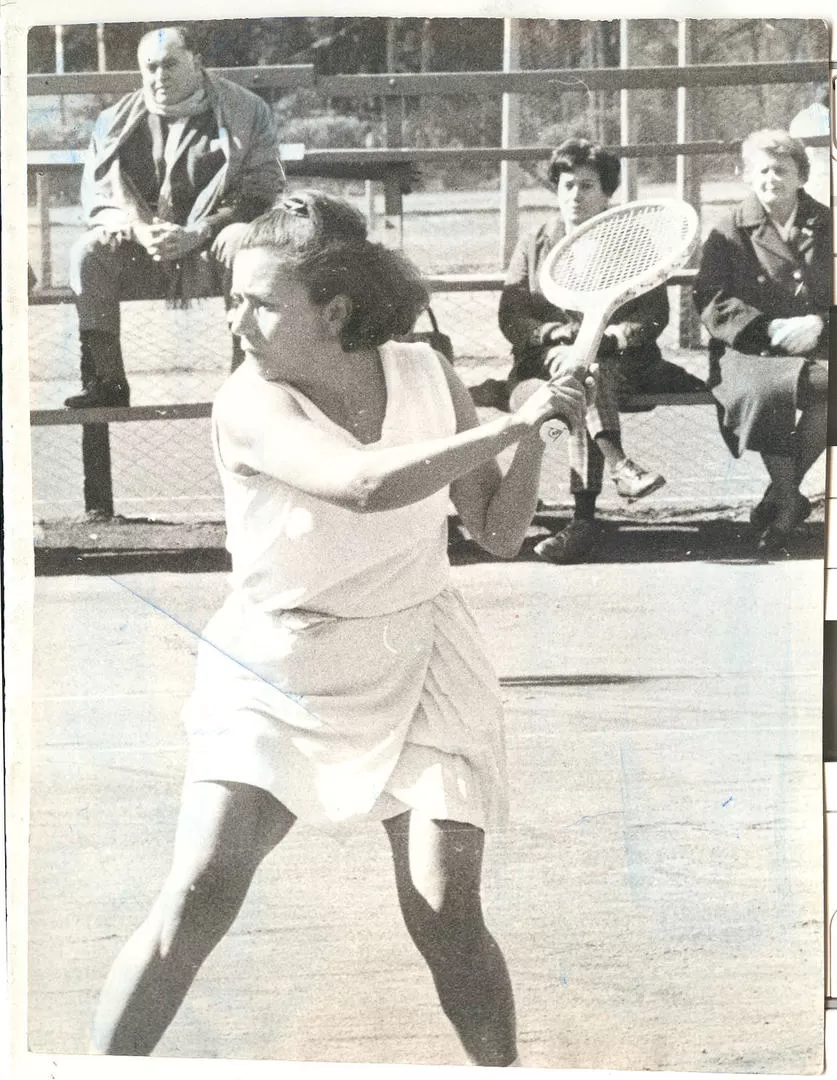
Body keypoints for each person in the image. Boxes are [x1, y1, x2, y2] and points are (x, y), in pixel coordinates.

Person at [88, 190, 591, 1065]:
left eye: (258, 301)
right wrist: (511, 419)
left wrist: (536, 437)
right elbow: (362, 484)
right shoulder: (247, 402)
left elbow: (499, 532)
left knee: (446, 910)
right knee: (197, 896)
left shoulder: (427, 375)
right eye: (232, 296)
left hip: (420, 653)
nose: (235, 318)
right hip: (276, 668)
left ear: (336, 311)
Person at [499, 138, 696, 564]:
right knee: (579, 378)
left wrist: (609, 337)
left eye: (587, 186)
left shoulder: (631, 240)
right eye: (567, 185)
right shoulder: (535, 242)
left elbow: (653, 316)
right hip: (542, 369)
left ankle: (585, 521)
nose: (575, 196)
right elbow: (512, 318)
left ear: (607, 192)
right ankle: (617, 470)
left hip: (620, 365)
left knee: (588, 375)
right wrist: (554, 337)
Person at [65, 24, 285, 408]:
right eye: (149, 68)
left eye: (169, 65)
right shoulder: (113, 121)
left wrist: (201, 231)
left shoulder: (247, 111)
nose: (158, 77)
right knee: (86, 252)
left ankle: (247, 382)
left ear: (197, 63)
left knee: (242, 244)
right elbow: (97, 195)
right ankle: (106, 383)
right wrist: (137, 229)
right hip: (143, 249)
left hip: (211, 246)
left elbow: (262, 190)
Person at [693, 129, 830, 554]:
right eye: (763, 170)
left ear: (801, 176)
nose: (773, 178)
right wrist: (765, 329)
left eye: (782, 169)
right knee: (765, 391)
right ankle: (790, 502)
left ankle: (777, 495)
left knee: (833, 390)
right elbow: (711, 299)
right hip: (748, 348)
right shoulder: (730, 228)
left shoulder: (828, 223)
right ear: (750, 177)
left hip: (818, 342)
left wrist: (823, 324)